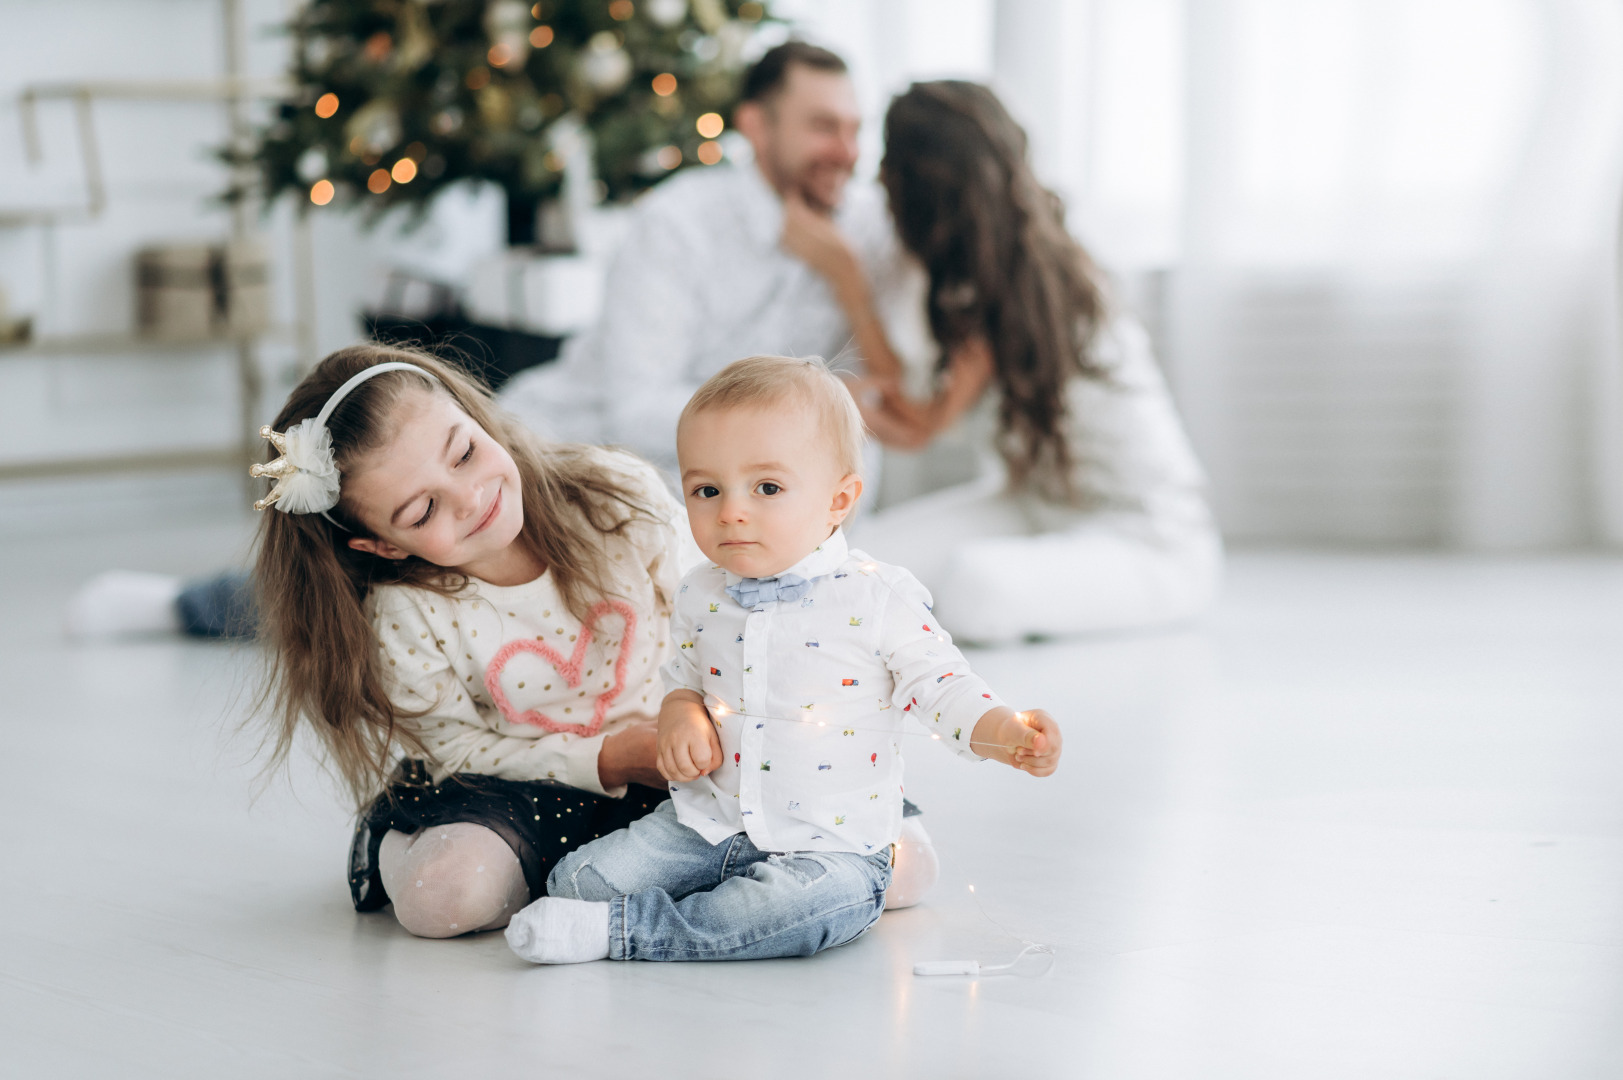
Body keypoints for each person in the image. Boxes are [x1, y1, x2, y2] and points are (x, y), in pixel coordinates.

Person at [64, 40, 900, 639]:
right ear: (756, 124)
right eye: (823, 126)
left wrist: (849, 284)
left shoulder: (861, 229)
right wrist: (762, 443)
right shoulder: (676, 222)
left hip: (711, 493)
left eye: (855, 129)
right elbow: (633, 399)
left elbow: (891, 387)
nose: (847, 151)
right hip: (564, 451)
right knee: (375, 588)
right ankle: (191, 605)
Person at [504, 356, 1062, 964]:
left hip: (834, 847)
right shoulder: (700, 593)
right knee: (578, 882)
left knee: (792, 908)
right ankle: (660, 911)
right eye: (706, 490)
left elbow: (944, 687)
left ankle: (625, 934)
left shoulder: (878, 597)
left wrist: (1004, 732)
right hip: (706, 826)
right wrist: (683, 715)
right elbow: (683, 680)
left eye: (766, 488)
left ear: (839, 499)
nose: (731, 511)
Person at [250, 345, 684, 938]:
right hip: (518, 790)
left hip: (672, 765)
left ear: (477, 417)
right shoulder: (408, 613)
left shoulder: (618, 500)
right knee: (446, 898)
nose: (471, 498)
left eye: (465, 453)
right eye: (424, 510)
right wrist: (609, 758)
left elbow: (710, 625)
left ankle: (591, 874)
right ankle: (401, 837)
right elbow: (459, 751)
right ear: (384, 546)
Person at [782, 81, 1223, 644]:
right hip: (1029, 503)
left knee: (975, 590)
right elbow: (913, 410)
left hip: (1149, 538)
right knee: (849, 566)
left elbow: (918, 427)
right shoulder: (970, 270)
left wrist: (846, 278)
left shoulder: (1029, 280)